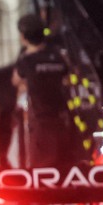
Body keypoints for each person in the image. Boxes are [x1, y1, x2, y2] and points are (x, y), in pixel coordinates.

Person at [11, 14, 74, 168]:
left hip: (40, 122)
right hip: (62, 119)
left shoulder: (27, 60)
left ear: (23, 37)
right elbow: (69, 77)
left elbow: (16, 80)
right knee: (63, 165)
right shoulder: (58, 56)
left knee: (41, 167)